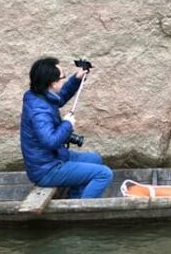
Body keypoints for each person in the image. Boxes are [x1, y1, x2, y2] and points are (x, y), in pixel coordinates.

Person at [20, 57, 113, 199]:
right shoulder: (39, 111)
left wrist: (76, 79)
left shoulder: (39, 95)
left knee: (94, 159)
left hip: (54, 157)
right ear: (53, 83)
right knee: (104, 174)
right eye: (63, 77)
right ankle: (78, 209)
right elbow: (51, 141)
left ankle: (74, 198)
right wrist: (67, 124)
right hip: (47, 169)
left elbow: (59, 98)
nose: (64, 79)